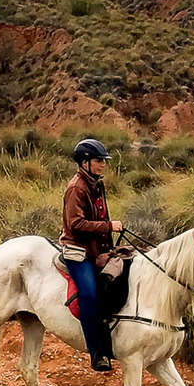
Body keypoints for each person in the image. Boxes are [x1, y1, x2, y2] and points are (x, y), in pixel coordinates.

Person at [62, 137, 123, 372]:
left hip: (97, 249)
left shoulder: (97, 183)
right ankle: (96, 351)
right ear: (85, 162)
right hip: (78, 252)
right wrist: (108, 227)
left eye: (103, 161)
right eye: (99, 160)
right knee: (88, 294)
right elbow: (75, 224)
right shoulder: (76, 188)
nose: (103, 164)